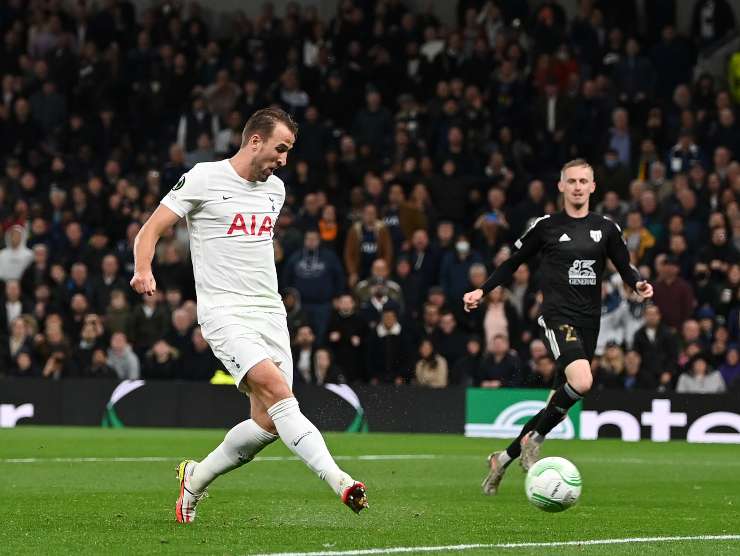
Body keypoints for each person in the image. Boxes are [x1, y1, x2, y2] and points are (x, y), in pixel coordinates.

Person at [130, 108, 367, 524]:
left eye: (289, 151)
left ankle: (196, 478)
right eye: (280, 149)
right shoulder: (203, 178)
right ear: (255, 141)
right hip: (224, 312)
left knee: (268, 423)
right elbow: (149, 230)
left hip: (270, 314)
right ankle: (340, 480)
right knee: (280, 393)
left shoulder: (276, 190)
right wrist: (143, 268)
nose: (283, 160)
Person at [463, 159, 654, 495]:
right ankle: (534, 440)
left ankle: (502, 459)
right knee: (582, 381)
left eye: (584, 181)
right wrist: (483, 289)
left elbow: (625, 266)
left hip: (589, 322)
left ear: (593, 186)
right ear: (562, 186)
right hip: (558, 316)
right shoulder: (546, 226)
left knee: (557, 406)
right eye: (572, 181)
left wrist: (638, 283)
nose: (578, 186)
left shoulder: (607, 228)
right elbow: (512, 263)